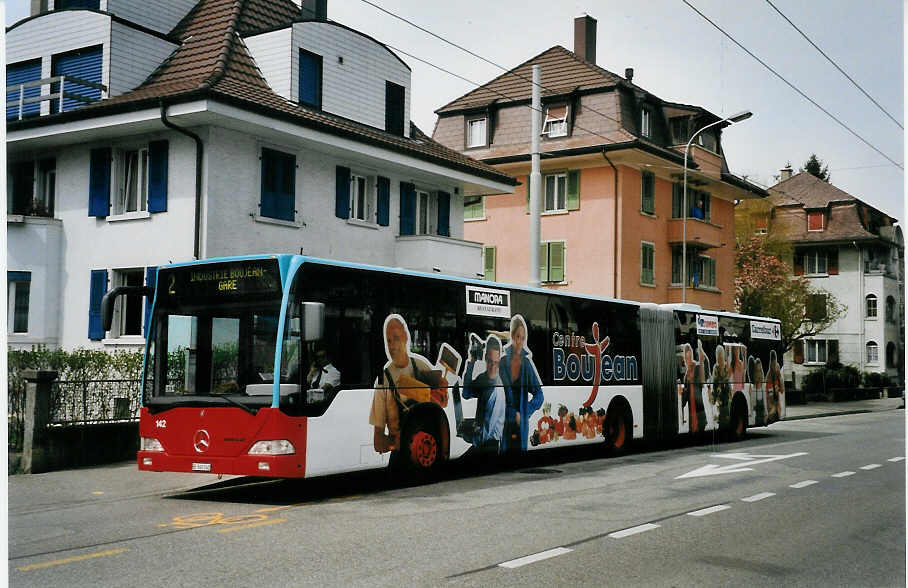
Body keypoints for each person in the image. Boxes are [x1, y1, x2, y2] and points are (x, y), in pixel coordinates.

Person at [369, 314, 443, 454]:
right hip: (401, 455)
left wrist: (440, 394)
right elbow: (378, 443)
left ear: (406, 338)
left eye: (396, 338)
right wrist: (400, 441)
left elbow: (441, 402)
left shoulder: (421, 367)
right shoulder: (383, 382)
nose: (392, 346)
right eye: (389, 341)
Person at [500, 315, 544, 452]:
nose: (520, 342)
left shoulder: (526, 364)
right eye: (518, 337)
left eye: (523, 338)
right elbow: (497, 398)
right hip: (505, 424)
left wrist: (525, 412)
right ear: (512, 337)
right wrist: (514, 414)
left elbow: (539, 395)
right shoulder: (502, 363)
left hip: (522, 427)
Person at [461, 335, 505, 452]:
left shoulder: (497, 390)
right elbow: (466, 393)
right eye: (490, 361)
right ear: (485, 358)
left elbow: (487, 432)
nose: (493, 367)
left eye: (496, 362)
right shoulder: (483, 378)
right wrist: (471, 362)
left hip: (489, 444)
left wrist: (467, 437)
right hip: (480, 438)